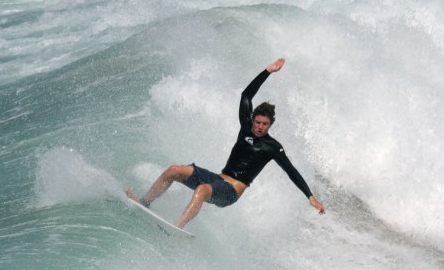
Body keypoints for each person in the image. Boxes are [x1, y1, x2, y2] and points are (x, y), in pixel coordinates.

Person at [126, 57, 326, 228]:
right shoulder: (246, 127)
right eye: (257, 122)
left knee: (202, 190)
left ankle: (176, 227)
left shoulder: (272, 147)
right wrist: (268, 71)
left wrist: (310, 196)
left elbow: (291, 170)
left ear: (271, 124)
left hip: (231, 192)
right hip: (218, 179)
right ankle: (145, 203)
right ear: (253, 120)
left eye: (264, 124)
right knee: (173, 170)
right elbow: (246, 95)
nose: (259, 127)